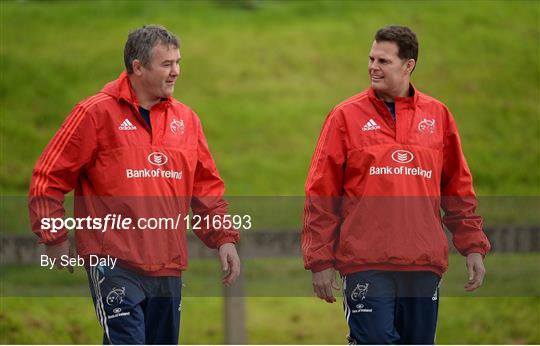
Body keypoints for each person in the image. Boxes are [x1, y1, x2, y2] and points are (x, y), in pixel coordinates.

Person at [28, 24, 240, 344]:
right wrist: (53, 235)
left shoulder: (187, 120)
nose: (176, 72)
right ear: (137, 67)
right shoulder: (93, 113)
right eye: (166, 64)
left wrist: (224, 237)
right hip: (113, 263)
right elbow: (49, 176)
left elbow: (206, 188)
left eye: (178, 62)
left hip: (168, 266)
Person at [301, 25, 490, 344]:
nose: (373, 67)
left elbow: (457, 189)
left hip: (422, 263)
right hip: (365, 263)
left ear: (408, 65)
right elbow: (322, 193)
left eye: (383, 61)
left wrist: (472, 245)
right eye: (371, 58)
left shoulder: (438, 116)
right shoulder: (345, 117)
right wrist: (320, 260)